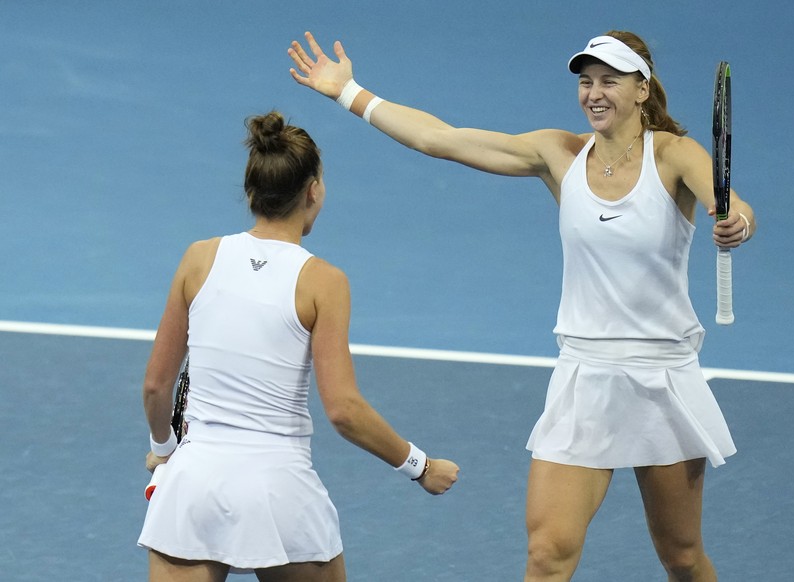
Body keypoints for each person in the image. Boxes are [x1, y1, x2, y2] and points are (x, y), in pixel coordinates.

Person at [289, 30, 756, 581]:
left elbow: (733, 206)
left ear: (641, 88)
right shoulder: (558, 154)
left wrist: (736, 224)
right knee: (546, 555)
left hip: (662, 379)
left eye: (609, 81)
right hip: (585, 378)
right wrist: (349, 92)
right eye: (586, 82)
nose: (594, 93)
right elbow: (441, 139)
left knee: (680, 555)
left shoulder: (675, 154)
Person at [137, 111, 459, 582]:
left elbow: (154, 387)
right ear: (313, 191)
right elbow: (344, 410)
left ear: (252, 192)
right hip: (277, 489)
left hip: (192, 485)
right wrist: (421, 466)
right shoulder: (323, 282)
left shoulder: (198, 258)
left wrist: (164, 448)